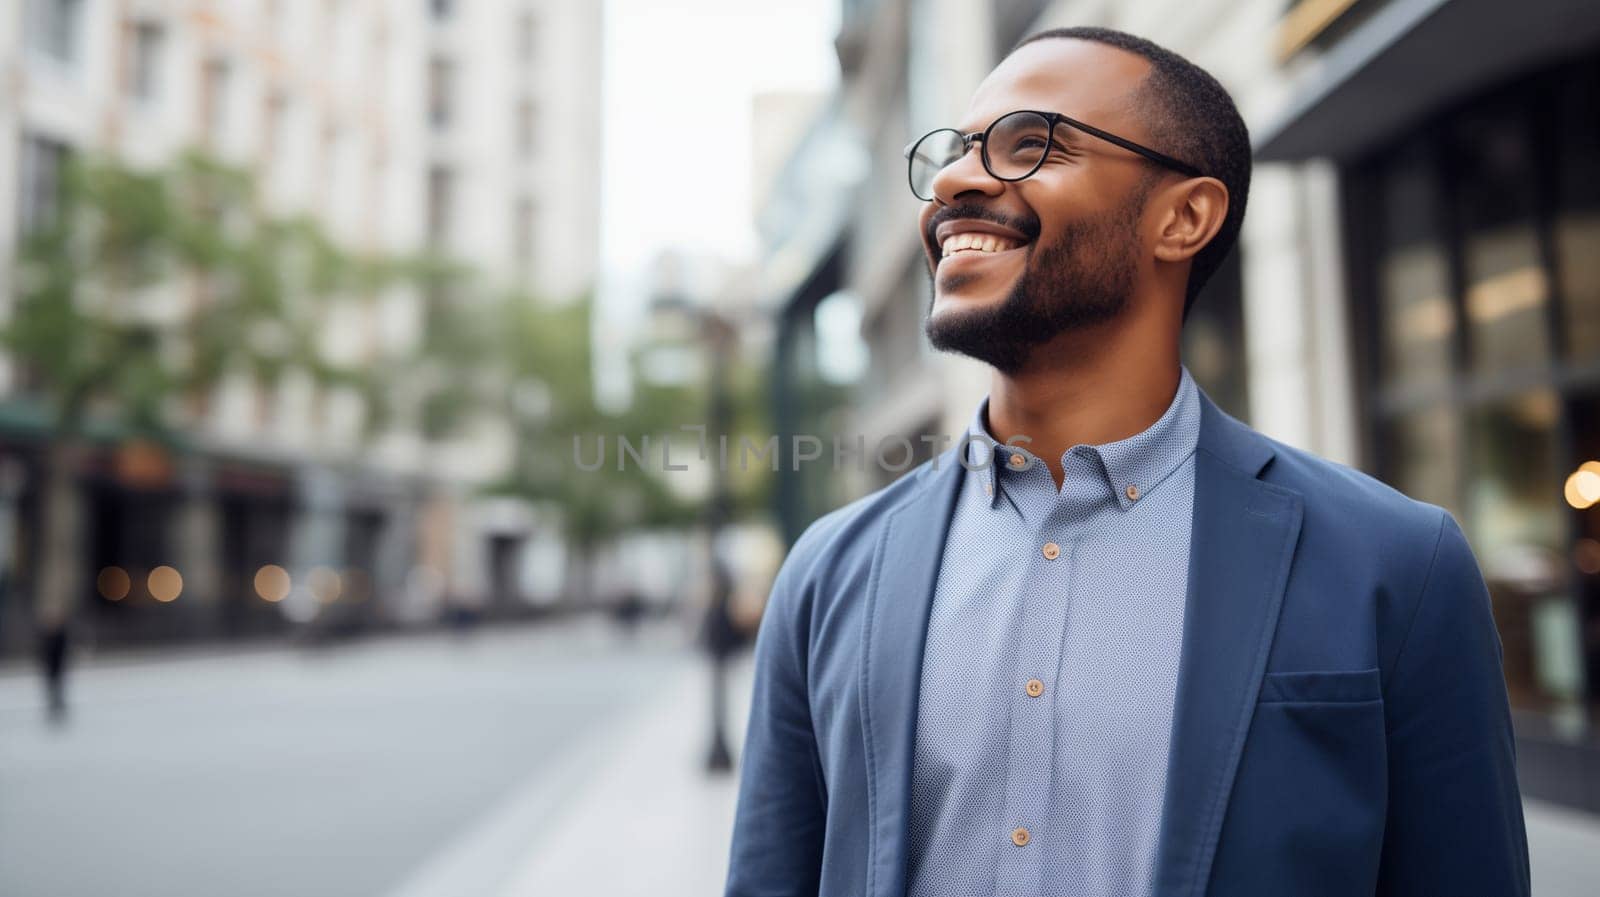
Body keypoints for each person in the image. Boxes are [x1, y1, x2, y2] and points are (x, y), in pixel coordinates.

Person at [725, 27, 1529, 897]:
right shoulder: (828, 573)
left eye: (1030, 145)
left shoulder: (1400, 566)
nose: (955, 182)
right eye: (954, 153)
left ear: (1183, 217)